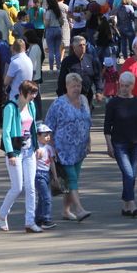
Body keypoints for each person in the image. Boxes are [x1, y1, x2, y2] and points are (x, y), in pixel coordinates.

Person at [104, 72, 137, 218]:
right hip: (119, 144)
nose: (124, 88)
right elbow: (107, 127)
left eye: (127, 86)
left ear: (132, 86)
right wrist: (109, 146)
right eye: (122, 85)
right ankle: (132, 203)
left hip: (136, 143)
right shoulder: (113, 103)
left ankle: (125, 206)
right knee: (128, 173)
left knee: (132, 175)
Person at [45, 74, 93, 222]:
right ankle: (79, 209)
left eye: (78, 86)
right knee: (71, 179)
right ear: (66, 87)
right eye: (73, 86)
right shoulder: (59, 104)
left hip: (79, 149)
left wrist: (89, 141)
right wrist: (51, 148)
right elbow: (48, 126)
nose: (76, 89)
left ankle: (66, 211)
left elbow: (87, 122)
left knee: (73, 180)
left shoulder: (84, 101)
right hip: (63, 149)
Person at [0, 80, 41, 232]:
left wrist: (37, 146)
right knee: (17, 188)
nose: (34, 96)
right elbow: (6, 133)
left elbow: (33, 126)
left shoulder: (31, 106)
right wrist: (10, 154)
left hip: (29, 150)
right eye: (32, 93)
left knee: (30, 187)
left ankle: (30, 221)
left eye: (35, 93)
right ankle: (3, 213)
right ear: (23, 92)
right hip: (16, 151)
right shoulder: (11, 107)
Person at [57, 35, 103, 105]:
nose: (83, 47)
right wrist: (61, 97)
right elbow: (61, 80)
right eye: (80, 45)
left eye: (84, 45)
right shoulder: (67, 61)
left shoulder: (91, 59)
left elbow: (97, 77)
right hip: (71, 97)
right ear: (74, 47)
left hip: (87, 96)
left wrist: (99, 91)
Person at [32, 123, 59, 230]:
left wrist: (55, 176)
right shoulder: (36, 148)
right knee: (46, 198)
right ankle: (46, 219)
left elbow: (52, 162)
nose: (47, 137)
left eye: (49, 135)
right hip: (38, 174)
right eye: (45, 135)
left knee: (42, 199)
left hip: (47, 174)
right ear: (38, 136)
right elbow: (32, 162)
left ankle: (38, 218)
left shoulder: (49, 148)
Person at [44, 0, 65, 71]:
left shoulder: (48, 12)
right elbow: (62, 22)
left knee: (51, 50)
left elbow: (46, 24)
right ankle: (58, 67)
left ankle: (51, 68)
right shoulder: (58, 11)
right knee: (57, 50)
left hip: (50, 30)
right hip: (58, 29)